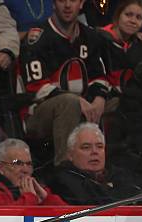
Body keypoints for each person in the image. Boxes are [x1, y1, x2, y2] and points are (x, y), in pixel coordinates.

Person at [20, 0, 110, 165]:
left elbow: (99, 75)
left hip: (82, 104)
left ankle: (109, 169)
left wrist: (99, 99)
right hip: (39, 112)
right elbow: (36, 86)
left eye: (73, 0)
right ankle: (66, 171)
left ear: (81, 4)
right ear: (53, 4)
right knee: (69, 103)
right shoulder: (37, 37)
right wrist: (77, 100)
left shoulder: (90, 36)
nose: (68, 5)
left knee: (116, 103)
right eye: (62, 0)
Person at [48, 122, 142, 204]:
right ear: (70, 155)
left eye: (99, 146)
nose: (94, 151)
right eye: (86, 147)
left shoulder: (120, 175)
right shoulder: (63, 180)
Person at [0, 138, 66, 205]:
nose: (26, 170)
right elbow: (8, 221)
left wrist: (46, 198)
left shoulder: (37, 188)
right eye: (18, 163)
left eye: (29, 164)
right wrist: (29, 198)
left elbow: (70, 218)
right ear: (1, 168)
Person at [99, 0, 142, 95]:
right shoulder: (98, 38)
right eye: (128, 15)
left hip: (133, 99)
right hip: (104, 97)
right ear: (118, 15)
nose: (133, 21)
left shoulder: (141, 45)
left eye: (138, 18)